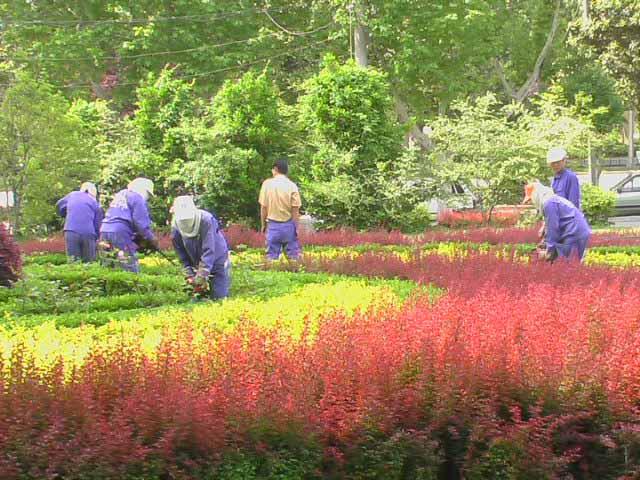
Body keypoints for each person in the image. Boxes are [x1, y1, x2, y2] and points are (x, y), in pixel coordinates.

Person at [171, 196, 231, 301]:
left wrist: (202, 274)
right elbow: (181, 253)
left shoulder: (206, 220)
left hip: (218, 261)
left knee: (219, 298)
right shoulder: (175, 227)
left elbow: (209, 249)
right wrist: (189, 273)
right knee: (197, 300)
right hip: (196, 264)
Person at [99, 177, 158, 273]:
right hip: (120, 232)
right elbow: (141, 223)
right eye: (148, 195)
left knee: (108, 264)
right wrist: (151, 238)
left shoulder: (121, 194)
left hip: (104, 230)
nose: (147, 198)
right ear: (143, 190)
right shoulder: (137, 198)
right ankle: (133, 282)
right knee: (128, 264)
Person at [524, 181, 591, 262]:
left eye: (531, 199)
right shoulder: (550, 201)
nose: (531, 202)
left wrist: (549, 249)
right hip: (576, 230)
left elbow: (553, 228)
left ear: (536, 195)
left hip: (574, 231)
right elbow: (551, 223)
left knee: (567, 264)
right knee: (567, 263)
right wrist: (544, 232)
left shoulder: (549, 203)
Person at [258, 159, 302, 260]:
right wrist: (296, 227)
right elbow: (295, 209)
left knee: (271, 258)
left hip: (272, 225)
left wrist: (263, 225)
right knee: (293, 258)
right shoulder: (292, 186)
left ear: (275, 169)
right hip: (288, 225)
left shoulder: (267, 184)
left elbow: (263, 207)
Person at [56, 182, 103, 262]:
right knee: (89, 262)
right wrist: (97, 238)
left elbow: (59, 206)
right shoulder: (95, 203)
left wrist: (65, 214)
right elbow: (97, 225)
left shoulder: (72, 195)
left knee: (73, 261)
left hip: (71, 231)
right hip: (88, 233)